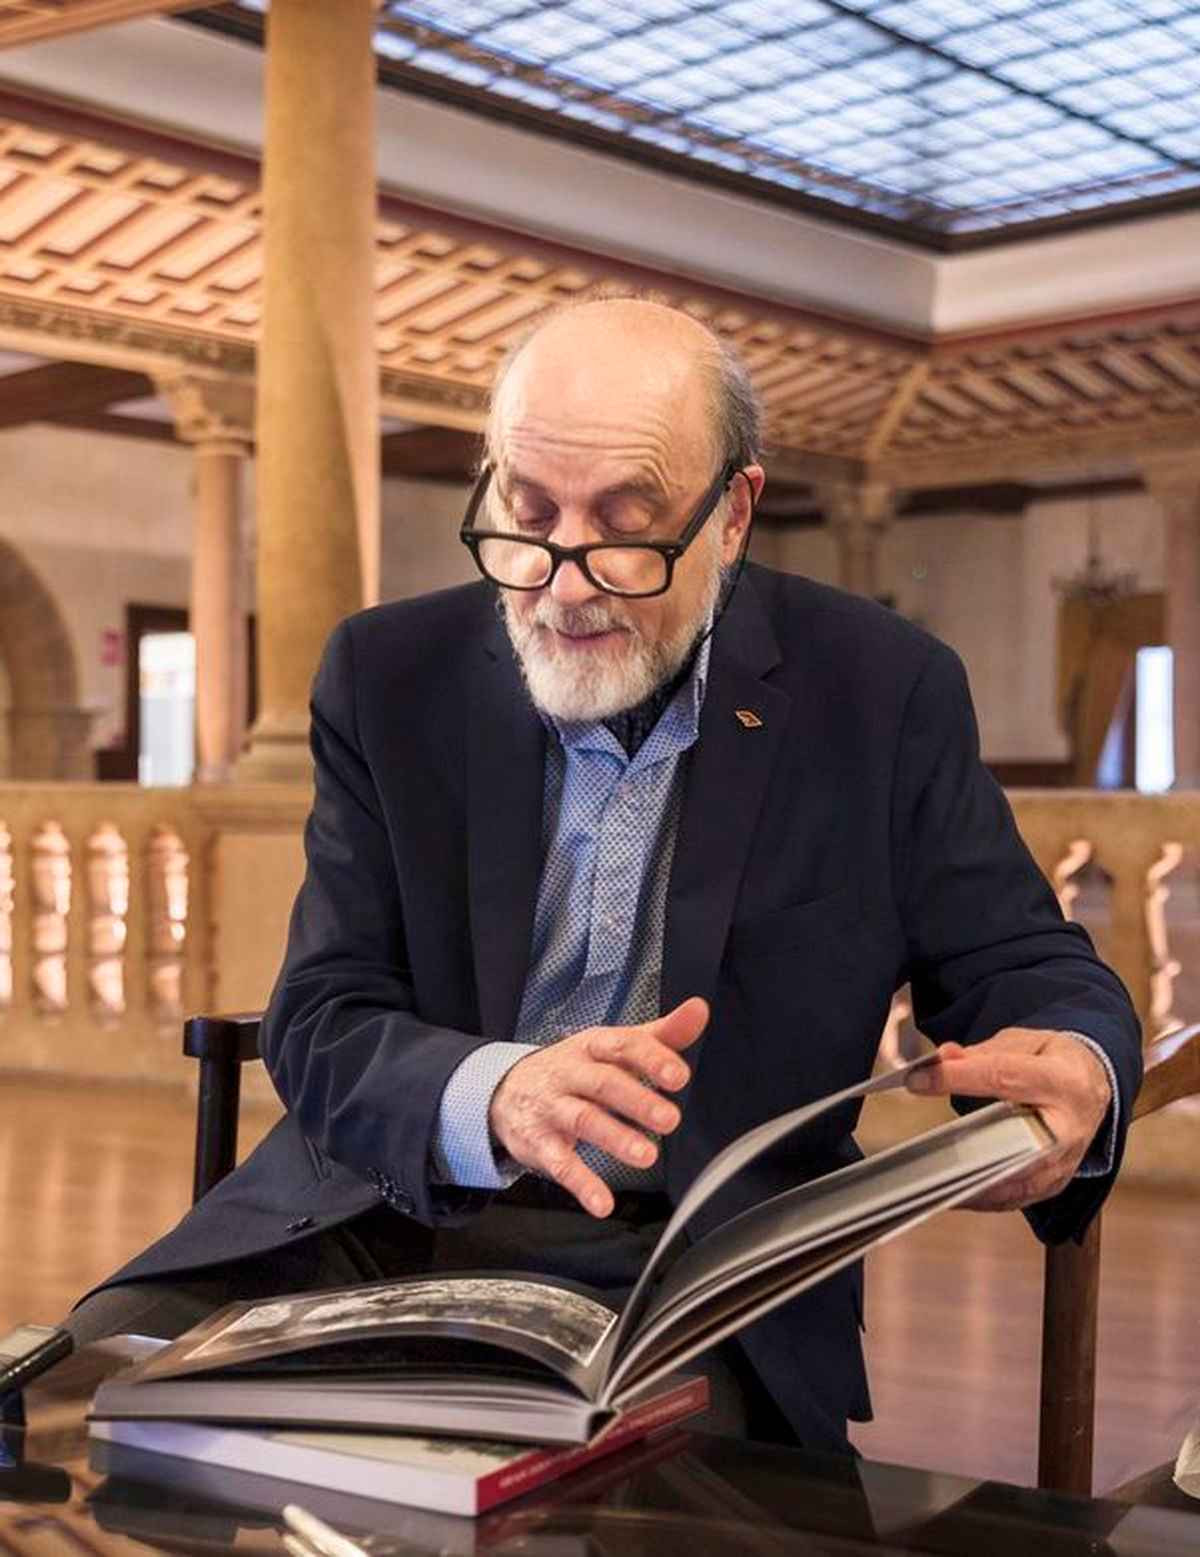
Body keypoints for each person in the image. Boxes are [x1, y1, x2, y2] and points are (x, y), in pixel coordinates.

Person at [65, 298, 1141, 1452]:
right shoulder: (389, 675)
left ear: (733, 514)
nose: (564, 585)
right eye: (527, 516)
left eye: (625, 528)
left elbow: (1025, 964)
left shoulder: (879, 692)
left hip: (695, 1270)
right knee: (73, 1409)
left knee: (599, 1500)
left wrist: (1077, 1065)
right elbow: (323, 1015)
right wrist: (497, 1094)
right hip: (372, 1213)